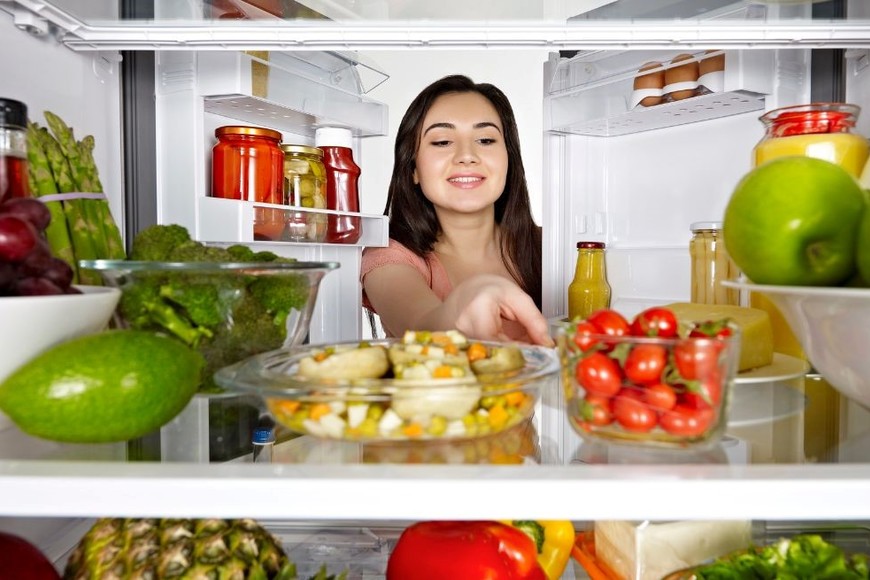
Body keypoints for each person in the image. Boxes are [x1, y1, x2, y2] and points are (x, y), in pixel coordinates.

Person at [360, 74, 552, 346]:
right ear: (413, 168)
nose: (466, 155)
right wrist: (469, 298)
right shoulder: (390, 257)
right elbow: (421, 327)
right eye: (442, 142)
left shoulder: (553, 247)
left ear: (509, 159)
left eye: (485, 140)